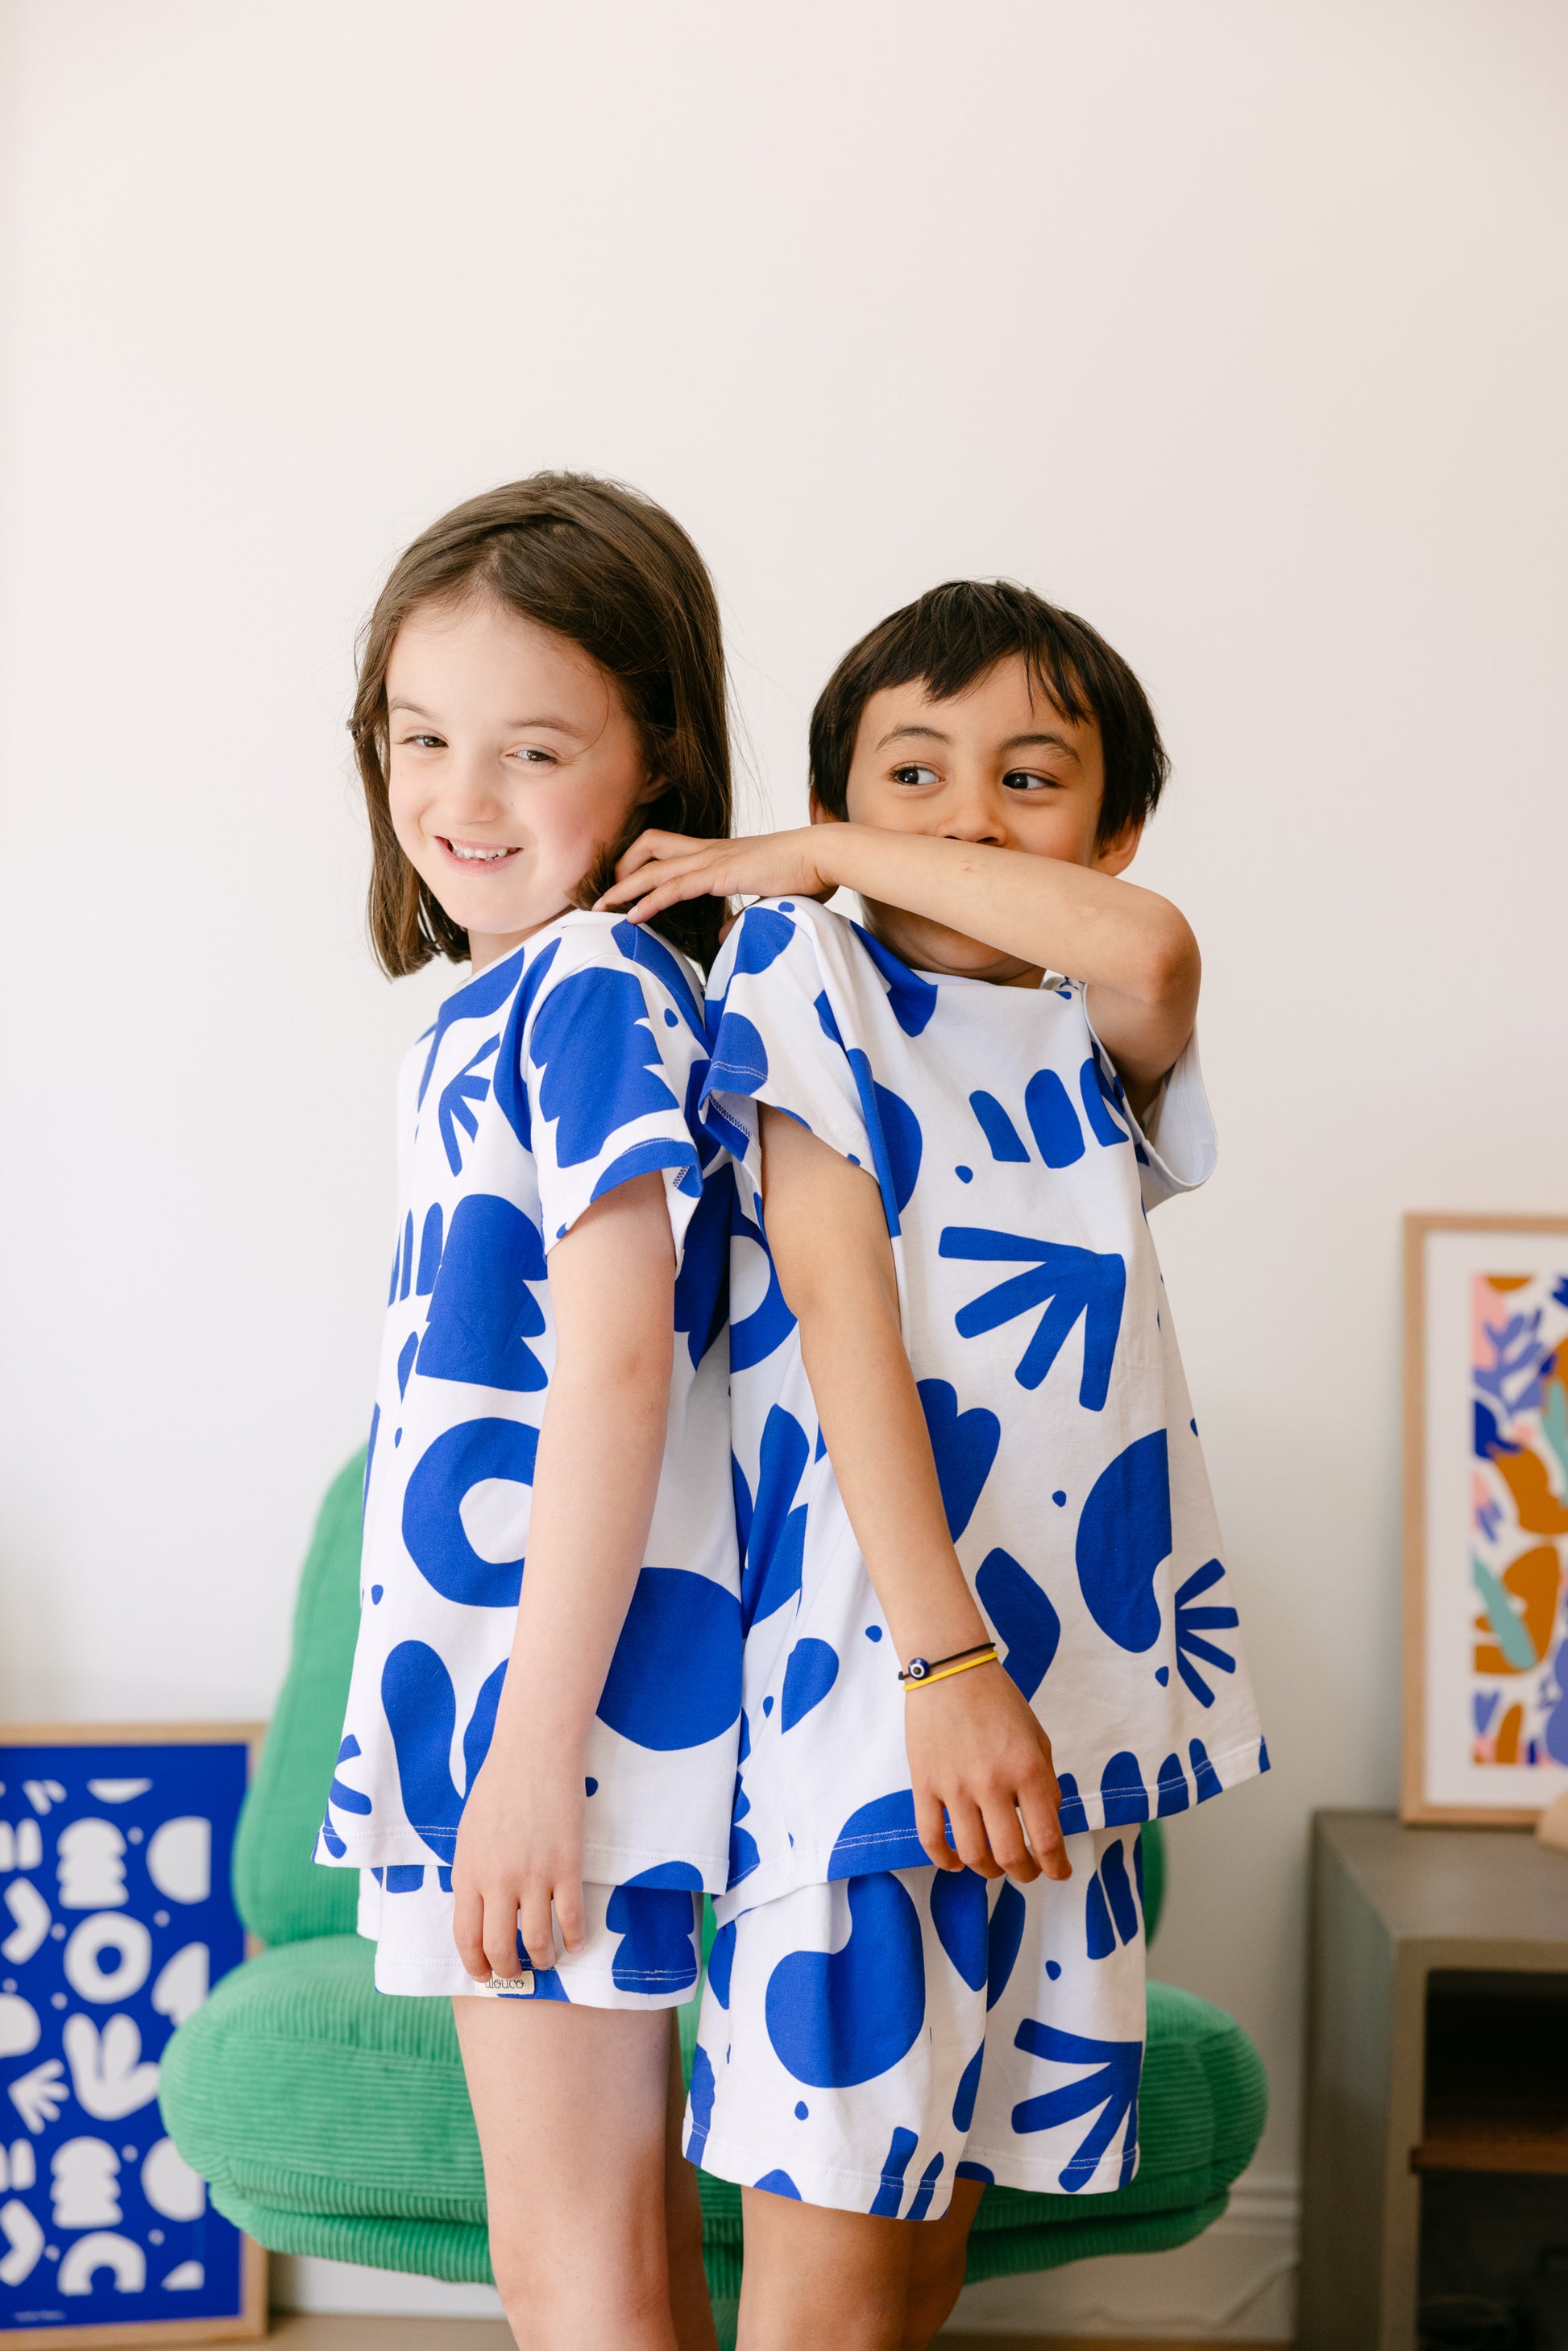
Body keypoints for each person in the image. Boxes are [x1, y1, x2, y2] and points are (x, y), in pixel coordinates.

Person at [601, 578, 1267, 2351]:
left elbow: (1154, 953)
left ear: (1107, 834)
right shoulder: (804, 971)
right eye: (913, 774)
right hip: (881, 1701)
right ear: (835, 815)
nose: (965, 816)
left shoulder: (1085, 1035)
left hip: (1061, 1728)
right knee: (828, 2285)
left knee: (919, 2268)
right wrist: (946, 1665)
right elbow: (840, 1321)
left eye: (1028, 780)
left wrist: (834, 834)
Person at [317, 475, 739, 2351]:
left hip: (548, 1708)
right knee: (606, 2253)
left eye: (533, 747)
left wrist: (526, 1755)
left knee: (570, 2267)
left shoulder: (586, 986)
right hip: (520, 1698)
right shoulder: (494, 1007)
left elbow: (619, 1368)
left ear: (659, 761)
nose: (459, 795)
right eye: (421, 736)